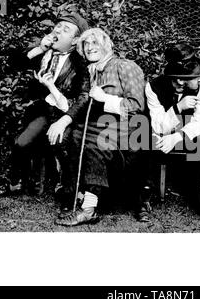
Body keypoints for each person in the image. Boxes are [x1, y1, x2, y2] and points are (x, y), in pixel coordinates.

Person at [0, 13, 90, 199]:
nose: (57, 30)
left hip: (64, 115)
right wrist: (39, 48)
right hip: (40, 113)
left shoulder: (80, 63)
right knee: (21, 143)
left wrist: (65, 117)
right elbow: (13, 63)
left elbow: (82, 97)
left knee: (63, 147)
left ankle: (68, 186)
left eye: (66, 30)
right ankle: (14, 183)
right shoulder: (44, 52)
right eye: (58, 26)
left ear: (75, 41)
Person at [55, 28, 145, 226]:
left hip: (129, 126)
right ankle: (75, 195)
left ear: (107, 45)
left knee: (95, 140)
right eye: (86, 45)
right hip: (99, 123)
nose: (89, 48)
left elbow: (137, 107)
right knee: (71, 136)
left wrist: (106, 99)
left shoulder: (126, 66)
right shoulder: (90, 71)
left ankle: (88, 209)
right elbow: (83, 101)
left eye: (94, 43)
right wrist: (65, 120)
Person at [140, 43, 200, 225]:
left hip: (189, 132)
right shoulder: (153, 87)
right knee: (147, 142)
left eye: (185, 78)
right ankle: (143, 200)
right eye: (176, 78)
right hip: (162, 129)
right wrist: (178, 107)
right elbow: (159, 125)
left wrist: (178, 136)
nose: (181, 83)